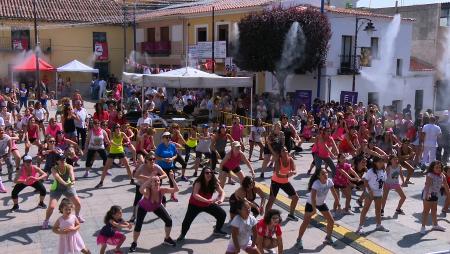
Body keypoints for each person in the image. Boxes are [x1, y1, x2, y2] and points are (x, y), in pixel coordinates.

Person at [129, 172, 179, 251]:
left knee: (169, 220)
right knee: (138, 224)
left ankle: (167, 238)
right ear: (151, 183)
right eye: (154, 181)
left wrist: (172, 178)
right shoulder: (148, 191)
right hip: (143, 207)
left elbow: (176, 189)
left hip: (156, 207)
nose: (156, 182)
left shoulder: (162, 190)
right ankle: (134, 243)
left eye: (158, 181)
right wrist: (149, 180)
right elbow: (141, 190)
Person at [177, 167, 227, 242]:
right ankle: (182, 234)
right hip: (194, 205)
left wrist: (221, 200)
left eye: (211, 173)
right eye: (207, 173)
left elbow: (222, 192)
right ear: (203, 174)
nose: (209, 174)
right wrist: (207, 200)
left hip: (207, 204)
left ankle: (217, 230)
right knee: (187, 221)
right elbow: (195, 195)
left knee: (222, 214)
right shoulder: (198, 182)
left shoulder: (214, 182)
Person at [296, 168, 340, 249]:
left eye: (326, 173)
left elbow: (335, 194)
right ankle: (299, 240)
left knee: (331, 221)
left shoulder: (329, 181)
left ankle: (328, 238)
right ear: (318, 176)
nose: (325, 175)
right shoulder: (316, 183)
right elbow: (313, 198)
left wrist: (338, 202)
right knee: (306, 222)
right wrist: (314, 209)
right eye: (323, 174)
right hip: (311, 204)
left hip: (321, 203)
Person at [43, 154, 84, 229]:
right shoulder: (53, 168)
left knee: (78, 203)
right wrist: (65, 183)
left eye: (64, 159)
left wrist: (73, 181)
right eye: (61, 160)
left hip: (68, 187)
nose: (63, 161)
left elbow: (72, 174)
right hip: (56, 189)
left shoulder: (69, 166)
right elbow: (58, 178)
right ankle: (46, 220)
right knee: (51, 207)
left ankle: (77, 216)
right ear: (57, 161)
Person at [129, 152, 167, 222]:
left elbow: (165, 175)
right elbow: (135, 175)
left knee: (162, 196)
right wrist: (148, 178)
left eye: (153, 159)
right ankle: (134, 215)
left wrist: (157, 177)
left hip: (152, 185)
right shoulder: (142, 166)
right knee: (137, 199)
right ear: (146, 160)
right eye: (150, 159)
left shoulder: (156, 166)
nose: (152, 161)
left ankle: (164, 211)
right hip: (142, 185)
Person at [356, 157, 389, 234]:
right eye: (379, 162)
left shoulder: (383, 171)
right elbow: (365, 181)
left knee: (378, 210)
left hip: (379, 193)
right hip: (370, 193)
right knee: (365, 209)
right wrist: (370, 191)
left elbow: (384, 182)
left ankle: (378, 225)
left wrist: (383, 191)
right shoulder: (370, 171)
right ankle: (360, 227)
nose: (381, 163)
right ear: (375, 163)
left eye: (382, 162)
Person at [265, 146, 299, 221]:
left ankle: (291, 214)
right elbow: (277, 174)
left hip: (284, 182)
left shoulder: (290, 159)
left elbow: (294, 169)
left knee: (295, 198)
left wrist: (293, 172)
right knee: (271, 200)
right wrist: (287, 175)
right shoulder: (278, 160)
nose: (285, 151)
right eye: (283, 150)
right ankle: (266, 218)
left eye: (286, 150)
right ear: (280, 153)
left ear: (288, 151)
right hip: (275, 182)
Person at [95, 124, 133, 188]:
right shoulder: (112, 134)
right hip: (112, 152)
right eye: (116, 127)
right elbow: (111, 141)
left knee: (127, 166)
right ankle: (101, 182)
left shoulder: (122, 133)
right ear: (114, 129)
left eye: (119, 127)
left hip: (120, 151)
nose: (118, 128)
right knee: (106, 167)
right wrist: (117, 144)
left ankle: (132, 180)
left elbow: (128, 139)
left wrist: (128, 142)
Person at [420, 161, 449, 234]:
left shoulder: (442, 175)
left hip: (435, 194)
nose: (439, 169)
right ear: (432, 168)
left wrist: (448, 194)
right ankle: (423, 227)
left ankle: (435, 225)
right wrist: (427, 195)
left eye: (440, 167)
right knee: (426, 211)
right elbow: (427, 185)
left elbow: (446, 186)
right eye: (436, 167)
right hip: (428, 194)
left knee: (434, 210)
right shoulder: (430, 175)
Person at [155, 131, 179, 201]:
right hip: (161, 167)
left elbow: (176, 154)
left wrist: (172, 158)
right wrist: (163, 159)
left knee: (172, 180)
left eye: (169, 137)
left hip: (170, 166)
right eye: (166, 137)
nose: (168, 138)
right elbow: (156, 156)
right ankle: (158, 196)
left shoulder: (172, 145)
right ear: (163, 138)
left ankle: (172, 196)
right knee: (159, 182)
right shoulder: (160, 146)